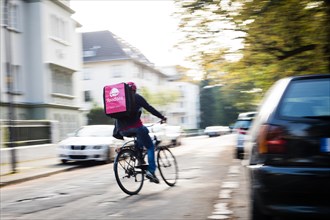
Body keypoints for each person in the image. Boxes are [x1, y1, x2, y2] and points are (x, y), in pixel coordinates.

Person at [114, 82, 166, 184]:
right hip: (136, 128)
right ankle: (151, 171)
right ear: (134, 90)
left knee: (142, 135)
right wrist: (162, 117)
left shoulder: (121, 100)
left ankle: (139, 157)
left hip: (122, 130)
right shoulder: (136, 97)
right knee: (150, 146)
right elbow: (149, 108)